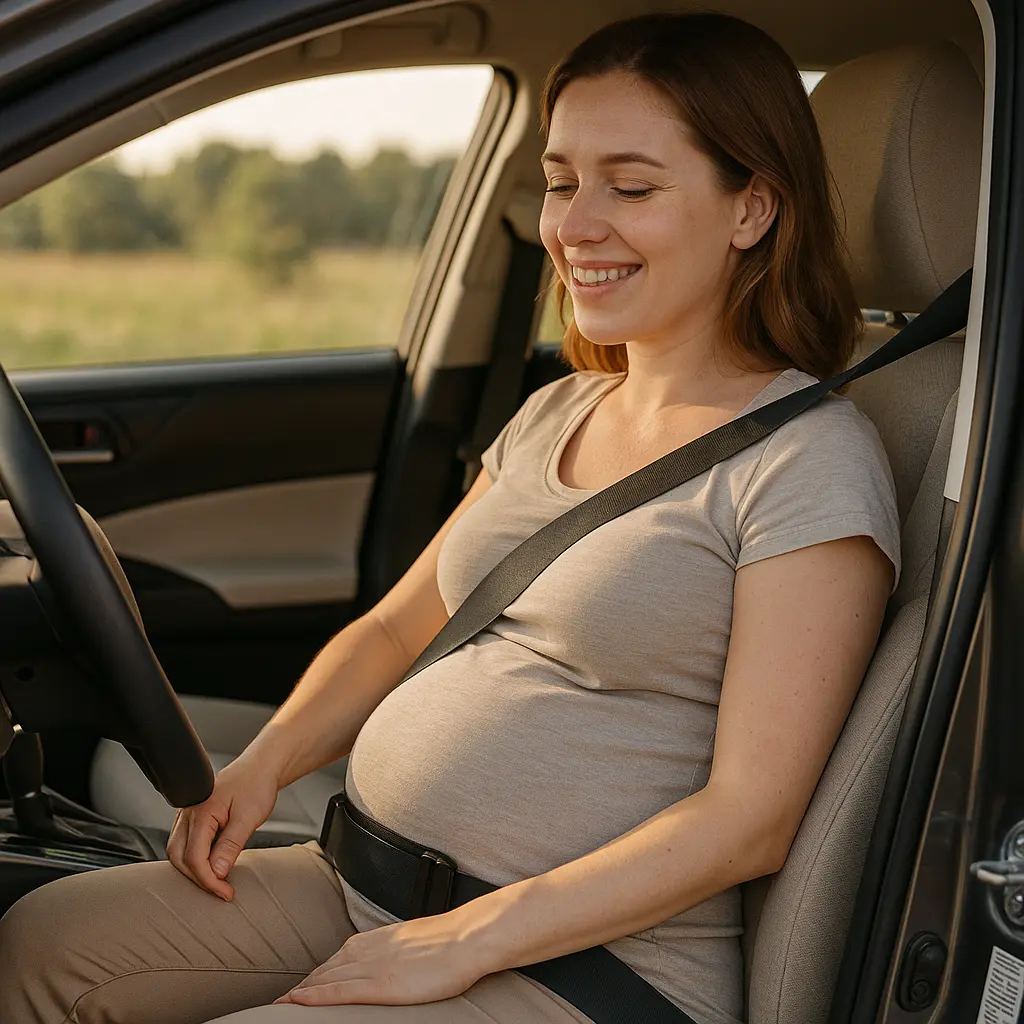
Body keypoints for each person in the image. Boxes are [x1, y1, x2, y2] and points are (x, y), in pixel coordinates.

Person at [0, 11, 900, 1024]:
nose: (574, 226)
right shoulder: (557, 409)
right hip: (366, 879)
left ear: (752, 209)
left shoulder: (807, 462)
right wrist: (263, 766)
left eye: (631, 187)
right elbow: (397, 627)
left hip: (578, 966)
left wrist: (469, 939)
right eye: (561, 181)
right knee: (39, 947)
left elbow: (749, 818)